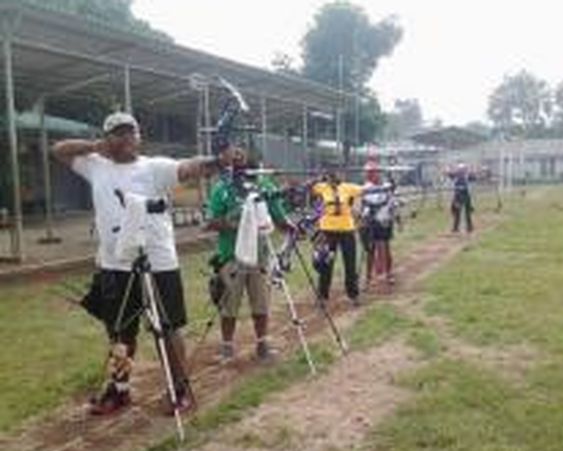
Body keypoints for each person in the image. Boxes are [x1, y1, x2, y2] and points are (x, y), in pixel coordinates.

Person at [53, 111, 219, 416]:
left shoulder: (153, 167)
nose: (127, 137)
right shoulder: (95, 165)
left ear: (140, 137)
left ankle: (179, 389)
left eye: (132, 132)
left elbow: (188, 168)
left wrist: (217, 162)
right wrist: (94, 146)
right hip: (115, 264)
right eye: (119, 132)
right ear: (107, 138)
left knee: (167, 329)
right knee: (120, 332)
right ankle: (120, 390)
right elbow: (59, 150)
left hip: (158, 263)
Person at [205, 147, 294, 364]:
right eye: (234, 158)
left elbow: (278, 216)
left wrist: (290, 227)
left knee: (261, 302)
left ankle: (262, 344)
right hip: (231, 255)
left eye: (242, 157)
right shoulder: (221, 189)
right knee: (229, 303)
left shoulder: (264, 186)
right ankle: (227, 347)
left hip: (260, 255)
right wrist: (234, 221)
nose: (239, 161)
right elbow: (211, 221)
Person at [311, 168, 363, 306]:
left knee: (350, 264)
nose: (334, 177)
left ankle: (353, 294)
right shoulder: (322, 187)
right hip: (327, 230)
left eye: (337, 174)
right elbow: (308, 188)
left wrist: (386, 186)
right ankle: (322, 295)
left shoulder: (348, 187)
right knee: (326, 264)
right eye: (331, 175)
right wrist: (316, 178)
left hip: (346, 229)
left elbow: (366, 190)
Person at [360, 160, 398, 288]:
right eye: (368, 172)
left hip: (384, 220)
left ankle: (389, 274)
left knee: (385, 247)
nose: (369, 175)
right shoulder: (366, 187)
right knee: (370, 250)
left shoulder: (386, 185)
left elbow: (392, 201)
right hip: (371, 221)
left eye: (372, 172)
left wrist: (394, 215)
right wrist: (364, 217)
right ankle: (368, 278)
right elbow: (364, 204)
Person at [449, 163, 474, 233]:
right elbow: (449, 174)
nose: (461, 171)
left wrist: (472, 172)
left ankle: (469, 227)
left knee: (467, 212)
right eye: (460, 170)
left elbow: (473, 178)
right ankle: (455, 228)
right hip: (457, 195)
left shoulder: (467, 176)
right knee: (456, 212)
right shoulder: (456, 176)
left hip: (466, 195)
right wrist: (448, 169)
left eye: (462, 170)